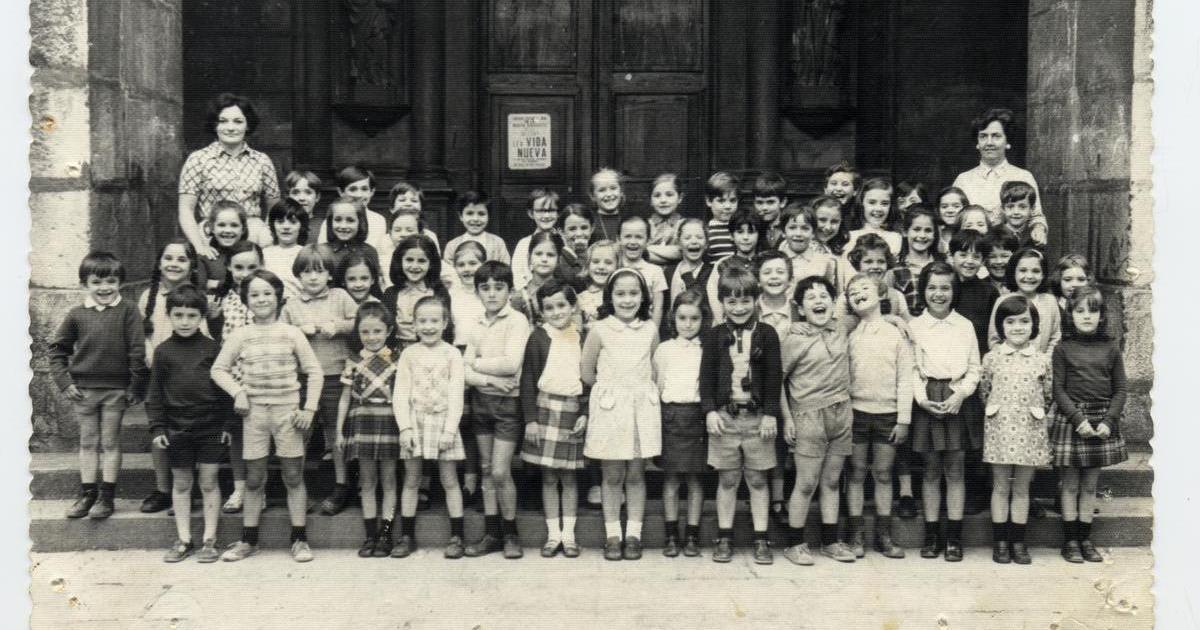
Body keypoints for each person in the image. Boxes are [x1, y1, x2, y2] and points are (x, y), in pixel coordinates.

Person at [211, 270, 323, 563]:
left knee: (293, 475)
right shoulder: (241, 334)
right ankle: (249, 539)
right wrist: (238, 392)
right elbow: (218, 369)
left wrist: (309, 408)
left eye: (267, 293)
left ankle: (299, 539)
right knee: (254, 478)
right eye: (254, 295)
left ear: (278, 297)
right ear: (246, 300)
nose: (261, 299)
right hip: (255, 414)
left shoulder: (292, 332)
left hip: (288, 413)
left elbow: (314, 371)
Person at [50, 252, 148, 520]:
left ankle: (107, 496)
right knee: (88, 441)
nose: (104, 288)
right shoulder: (76, 314)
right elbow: (57, 350)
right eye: (96, 282)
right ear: (84, 284)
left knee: (110, 441)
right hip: (84, 391)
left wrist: (136, 386)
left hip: (116, 390)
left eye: (111, 281)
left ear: (120, 283)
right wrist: (64, 382)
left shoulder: (128, 310)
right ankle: (88, 494)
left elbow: (137, 350)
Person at [700, 266, 782, 565]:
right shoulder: (714, 335)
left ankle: (761, 538)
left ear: (756, 300)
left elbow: (774, 376)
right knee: (728, 478)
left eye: (745, 301)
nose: (738, 308)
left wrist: (771, 414)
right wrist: (709, 410)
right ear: (722, 302)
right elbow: (706, 377)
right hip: (726, 417)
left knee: (758, 479)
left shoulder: (767, 334)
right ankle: (724, 536)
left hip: (757, 418)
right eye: (731, 301)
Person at [582, 267, 662, 561]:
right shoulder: (599, 330)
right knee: (612, 474)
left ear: (643, 297)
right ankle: (613, 535)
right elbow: (587, 372)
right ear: (610, 297)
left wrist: (637, 392)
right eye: (620, 294)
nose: (627, 300)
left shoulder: (650, 329)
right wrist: (613, 391)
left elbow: (655, 369)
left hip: (641, 409)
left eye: (633, 293)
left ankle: (634, 535)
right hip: (611, 410)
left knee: (637, 473)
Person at [147, 285, 229, 563]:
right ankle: (183, 539)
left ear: (202, 317)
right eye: (178, 315)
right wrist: (158, 427)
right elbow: (155, 392)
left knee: (208, 481)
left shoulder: (212, 349)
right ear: (169, 315)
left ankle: (209, 540)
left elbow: (224, 390)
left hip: (210, 426)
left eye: (192, 315)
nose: (185, 322)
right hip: (177, 427)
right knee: (181, 483)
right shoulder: (163, 352)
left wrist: (227, 425)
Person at [779, 276, 858, 565]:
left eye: (824, 296)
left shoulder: (842, 327)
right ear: (800, 308)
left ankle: (830, 541)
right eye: (811, 297)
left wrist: (895, 319)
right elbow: (777, 381)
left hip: (841, 413)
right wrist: (787, 418)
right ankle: (794, 543)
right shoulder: (793, 338)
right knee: (806, 482)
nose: (819, 301)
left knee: (832, 481)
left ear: (833, 303)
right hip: (807, 415)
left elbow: (869, 314)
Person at [908, 262, 981, 562]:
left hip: (957, 399)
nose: (938, 294)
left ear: (954, 291)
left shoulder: (964, 326)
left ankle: (954, 537)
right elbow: (911, 368)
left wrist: (961, 394)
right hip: (927, 399)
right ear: (923, 291)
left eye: (945, 288)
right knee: (930, 471)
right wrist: (921, 398)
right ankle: (931, 534)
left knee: (955, 470)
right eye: (932, 288)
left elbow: (975, 368)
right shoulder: (915, 327)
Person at [280, 245, 359, 515]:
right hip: (302, 379)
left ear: (329, 274)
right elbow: (281, 334)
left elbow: (359, 321)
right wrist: (297, 331)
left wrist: (337, 326)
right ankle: (297, 488)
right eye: (306, 272)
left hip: (335, 375)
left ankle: (341, 485)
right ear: (298, 276)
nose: (313, 277)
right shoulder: (291, 305)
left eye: (319, 271)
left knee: (336, 433)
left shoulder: (340, 296)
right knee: (300, 433)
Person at [1052, 286, 1128, 563]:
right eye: (1080, 311)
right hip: (1074, 420)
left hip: (1101, 421)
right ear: (1070, 315)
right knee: (1070, 485)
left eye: (1093, 311)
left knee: (1089, 486)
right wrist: (1078, 419)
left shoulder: (1111, 348)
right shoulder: (1063, 349)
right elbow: (1058, 390)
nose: (1086, 316)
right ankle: (1070, 540)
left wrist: (1109, 420)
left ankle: (1085, 538)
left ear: (1102, 316)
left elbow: (1121, 389)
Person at [462, 261, 531, 558]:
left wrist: (474, 364)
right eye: (485, 288)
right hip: (482, 400)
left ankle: (511, 533)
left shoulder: (517, 321)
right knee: (487, 469)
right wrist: (488, 378)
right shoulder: (475, 321)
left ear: (509, 290)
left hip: (507, 404)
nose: (492, 294)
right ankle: (492, 534)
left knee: (501, 471)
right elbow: (462, 371)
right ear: (477, 291)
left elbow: (511, 364)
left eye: (499, 287)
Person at [843, 273, 913, 560]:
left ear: (882, 294)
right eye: (852, 292)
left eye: (865, 288)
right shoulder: (850, 335)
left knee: (884, 473)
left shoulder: (896, 333)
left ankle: (884, 535)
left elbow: (905, 378)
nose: (858, 293)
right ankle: (856, 534)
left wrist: (903, 419)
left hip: (888, 414)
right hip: (857, 413)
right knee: (857, 472)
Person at [980, 294, 1054, 565]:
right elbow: (984, 391)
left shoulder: (1042, 360)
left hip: (1030, 428)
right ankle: (1000, 542)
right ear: (1001, 326)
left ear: (1034, 325)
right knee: (1000, 486)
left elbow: (1048, 394)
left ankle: (1018, 542)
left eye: (1024, 321)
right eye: (1010, 322)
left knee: (1022, 488)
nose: (1017, 327)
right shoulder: (992, 358)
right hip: (999, 427)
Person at [137, 239, 210, 515]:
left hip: (190, 375)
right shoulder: (149, 296)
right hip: (159, 371)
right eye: (168, 258)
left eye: (181, 259)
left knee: (192, 432)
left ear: (192, 266)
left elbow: (205, 336)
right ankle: (163, 489)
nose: (174, 264)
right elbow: (143, 332)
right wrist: (149, 352)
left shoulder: (198, 297)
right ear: (159, 263)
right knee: (160, 430)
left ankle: (189, 489)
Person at [393, 296, 469, 559]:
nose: (428, 326)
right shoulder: (408, 354)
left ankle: (457, 536)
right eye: (422, 321)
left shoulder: (452, 354)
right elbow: (400, 393)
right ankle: (407, 535)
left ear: (445, 323)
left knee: (449, 480)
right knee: (412, 479)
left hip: (443, 422)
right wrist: (405, 428)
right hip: (415, 422)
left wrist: (450, 430)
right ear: (413, 324)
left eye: (434, 321)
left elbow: (456, 394)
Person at [520, 280, 588, 558]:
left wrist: (584, 412)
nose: (557, 312)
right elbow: (527, 379)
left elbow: (589, 379)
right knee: (548, 477)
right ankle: (553, 536)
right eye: (549, 308)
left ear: (573, 306)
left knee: (569, 477)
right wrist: (530, 420)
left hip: (572, 409)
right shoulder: (538, 337)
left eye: (562, 305)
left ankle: (569, 536)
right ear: (541, 312)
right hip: (544, 408)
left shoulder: (583, 337)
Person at [336, 302, 402, 558]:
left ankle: (385, 534)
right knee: (367, 480)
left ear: (388, 331)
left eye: (377, 331)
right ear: (358, 332)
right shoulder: (354, 360)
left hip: (389, 422)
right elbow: (345, 398)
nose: (371, 337)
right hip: (362, 423)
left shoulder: (397, 359)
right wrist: (339, 431)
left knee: (389, 479)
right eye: (365, 332)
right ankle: (370, 535)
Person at [178, 93, 280, 260]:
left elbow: (274, 209)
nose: (231, 127)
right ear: (215, 125)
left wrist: (266, 238)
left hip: (252, 233)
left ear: (247, 125)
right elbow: (186, 209)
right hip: (212, 234)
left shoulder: (262, 161)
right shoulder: (198, 159)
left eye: (238, 121)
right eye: (223, 121)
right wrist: (199, 246)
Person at [654, 290, 709, 558]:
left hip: (697, 417)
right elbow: (658, 384)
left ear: (703, 319)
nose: (688, 324)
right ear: (672, 318)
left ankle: (692, 535)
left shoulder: (707, 348)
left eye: (694, 318)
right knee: (672, 478)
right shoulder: (664, 349)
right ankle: (671, 535)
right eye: (682, 318)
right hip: (671, 417)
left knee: (696, 479)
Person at [952, 108, 1048, 244]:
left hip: (1010, 251)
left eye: (996, 136)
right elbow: (953, 222)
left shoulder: (1023, 177)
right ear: (977, 143)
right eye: (983, 136)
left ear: (1007, 141)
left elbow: (1036, 216)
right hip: (972, 252)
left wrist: (1039, 228)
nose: (989, 142)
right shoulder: (963, 180)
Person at [988, 248, 1061, 354]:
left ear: (1043, 275)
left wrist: (1046, 359)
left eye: (1036, 271)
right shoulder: (1002, 300)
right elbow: (994, 340)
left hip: (1042, 362)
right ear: (1014, 273)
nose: (1029, 276)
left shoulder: (1050, 301)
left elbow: (1055, 338)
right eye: (1023, 270)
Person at [383, 235, 451, 349]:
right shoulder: (390, 294)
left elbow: (446, 330)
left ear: (431, 264)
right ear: (400, 261)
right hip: (395, 351)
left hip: (430, 350)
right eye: (409, 260)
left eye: (421, 261)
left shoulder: (439, 293)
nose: (414, 266)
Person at [618, 215, 669, 326]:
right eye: (627, 236)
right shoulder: (614, 268)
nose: (633, 241)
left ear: (648, 241)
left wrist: (653, 332)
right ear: (619, 239)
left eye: (639, 237)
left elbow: (658, 308)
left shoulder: (655, 271)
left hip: (644, 328)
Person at [442, 191, 511, 271]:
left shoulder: (497, 243)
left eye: (481, 214)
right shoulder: (452, 245)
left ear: (488, 216)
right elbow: (448, 273)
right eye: (470, 213)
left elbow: (505, 270)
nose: (475, 219)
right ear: (461, 216)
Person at [779, 201, 837, 290]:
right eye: (792, 228)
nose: (798, 233)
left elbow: (830, 292)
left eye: (805, 228)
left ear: (813, 233)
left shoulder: (824, 261)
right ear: (783, 232)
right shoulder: (775, 260)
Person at [512, 189, 561, 292]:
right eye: (540, 211)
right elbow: (518, 277)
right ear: (531, 213)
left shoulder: (563, 241)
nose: (546, 216)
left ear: (558, 213)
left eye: (551, 210)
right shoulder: (523, 244)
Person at [262, 199, 311, 301]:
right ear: (273, 225)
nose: (286, 227)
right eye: (280, 222)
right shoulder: (264, 254)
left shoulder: (307, 254)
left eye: (293, 222)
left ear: (301, 226)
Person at [323, 197, 381, 279]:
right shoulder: (322, 251)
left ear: (360, 222)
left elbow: (374, 283)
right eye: (338, 220)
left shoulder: (369, 252)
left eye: (350, 220)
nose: (343, 226)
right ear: (330, 221)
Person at [846, 177, 903, 256]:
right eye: (872, 202)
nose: (878, 208)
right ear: (861, 203)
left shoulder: (896, 238)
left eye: (884, 203)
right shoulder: (849, 238)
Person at [646, 173, 686, 265]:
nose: (663, 200)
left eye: (669, 195)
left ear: (680, 198)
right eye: (657, 195)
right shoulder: (645, 225)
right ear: (650, 200)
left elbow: (683, 252)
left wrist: (646, 250)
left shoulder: (685, 225)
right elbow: (636, 253)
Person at [703, 171, 739, 263]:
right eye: (721, 201)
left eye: (732, 200)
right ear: (709, 201)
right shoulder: (705, 230)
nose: (728, 206)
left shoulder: (741, 228)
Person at [998, 181, 1041, 249]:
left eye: (1022, 207)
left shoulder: (1035, 235)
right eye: (1010, 207)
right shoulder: (994, 235)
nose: (1016, 212)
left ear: (1032, 209)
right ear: (1003, 209)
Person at [589, 167, 627, 244]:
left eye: (613, 188)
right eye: (602, 190)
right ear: (593, 196)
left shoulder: (629, 219)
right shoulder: (589, 222)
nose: (609, 194)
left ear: (621, 192)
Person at [752, 171, 789, 250]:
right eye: (759, 202)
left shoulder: (789, 226)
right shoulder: (753, 227)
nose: (764, 208)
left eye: (770, 202)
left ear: (783, 202)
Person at [935, 186, 970, 255]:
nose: (950, 210)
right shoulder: (934, 235)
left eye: (956, 206)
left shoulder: (971, 235)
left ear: (965, 208)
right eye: (944, 207)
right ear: (938, 210)